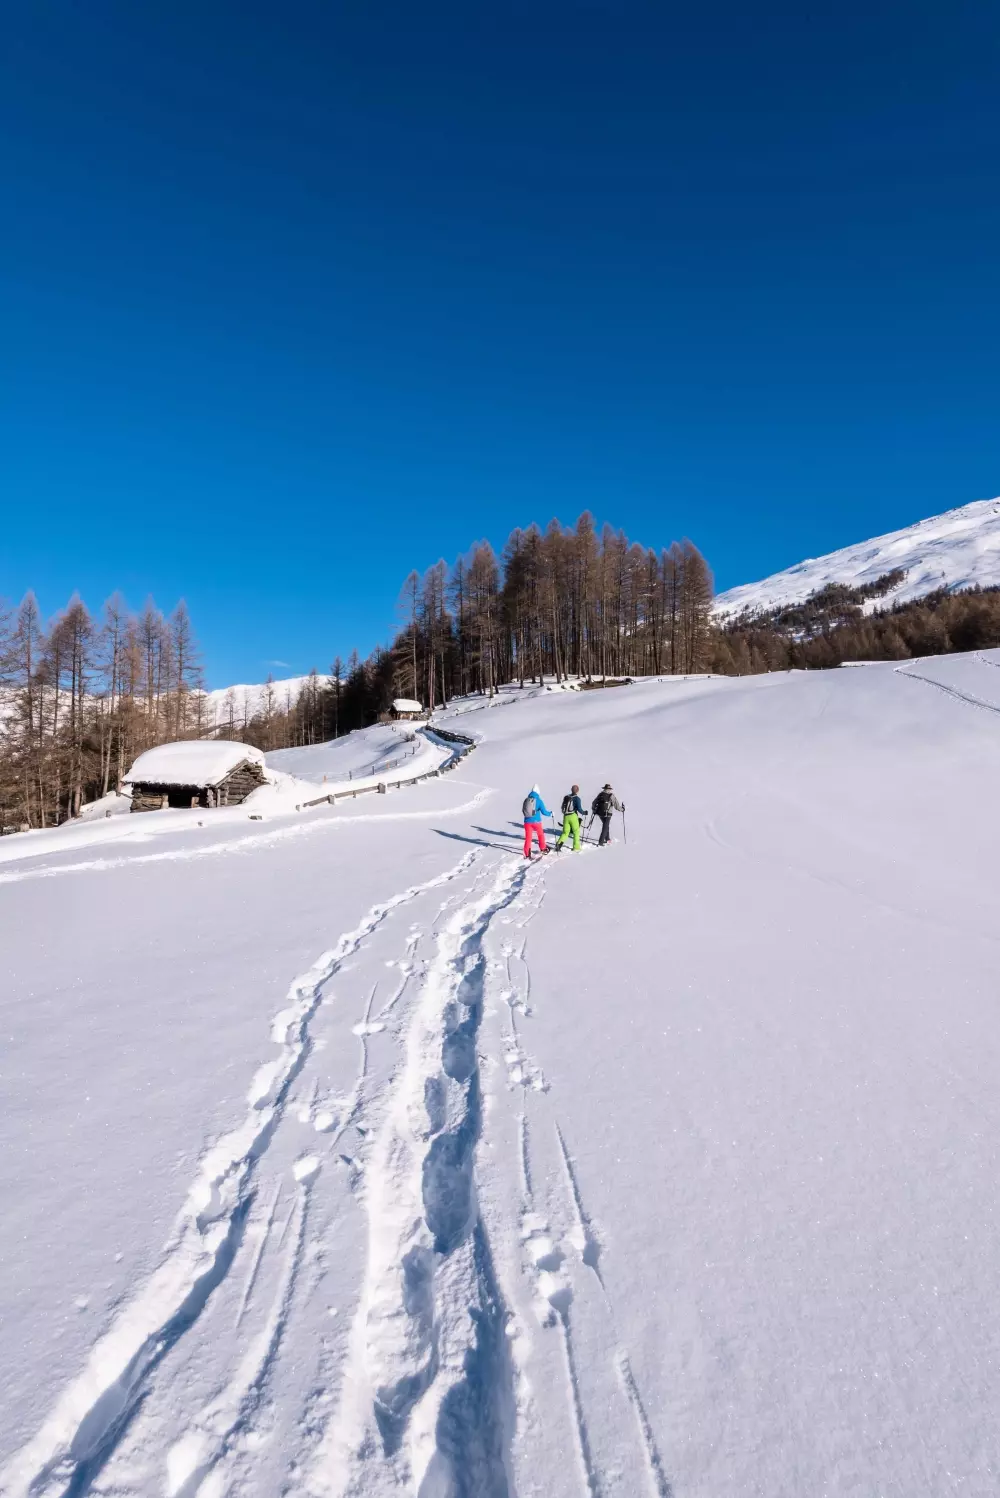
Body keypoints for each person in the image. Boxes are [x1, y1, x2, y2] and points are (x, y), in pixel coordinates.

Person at [522, 784, 551, 859]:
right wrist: (551, 814)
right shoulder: (539, 801)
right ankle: (543, 849)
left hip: (527, 822)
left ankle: (527, 854)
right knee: (540, 835)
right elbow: (544, 812)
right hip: (536, 822)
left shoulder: (526, 800)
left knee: (528, 838)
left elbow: (523, 810)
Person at [591, 782, 622, 847]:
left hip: (600, 813)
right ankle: (601, 842)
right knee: (605, 827)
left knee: (606, 825)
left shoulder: (600, 794)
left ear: (604, 788)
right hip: (608, 814)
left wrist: (594, 809)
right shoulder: (611, 795)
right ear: (609, 789)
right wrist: (622, 809)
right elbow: (617, 805)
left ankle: (607, 839)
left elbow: (594, 802)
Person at [557, 784, 584, 851]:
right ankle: (576, 847)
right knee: (576, 832)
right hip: (573, 816)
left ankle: (558, 845)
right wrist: (584, 813)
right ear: (577, 791)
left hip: (565, 816)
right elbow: (579, 809)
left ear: (571, 790)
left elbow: (562, 807)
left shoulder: (566, 797)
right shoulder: (577, 799)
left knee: (565, 832)